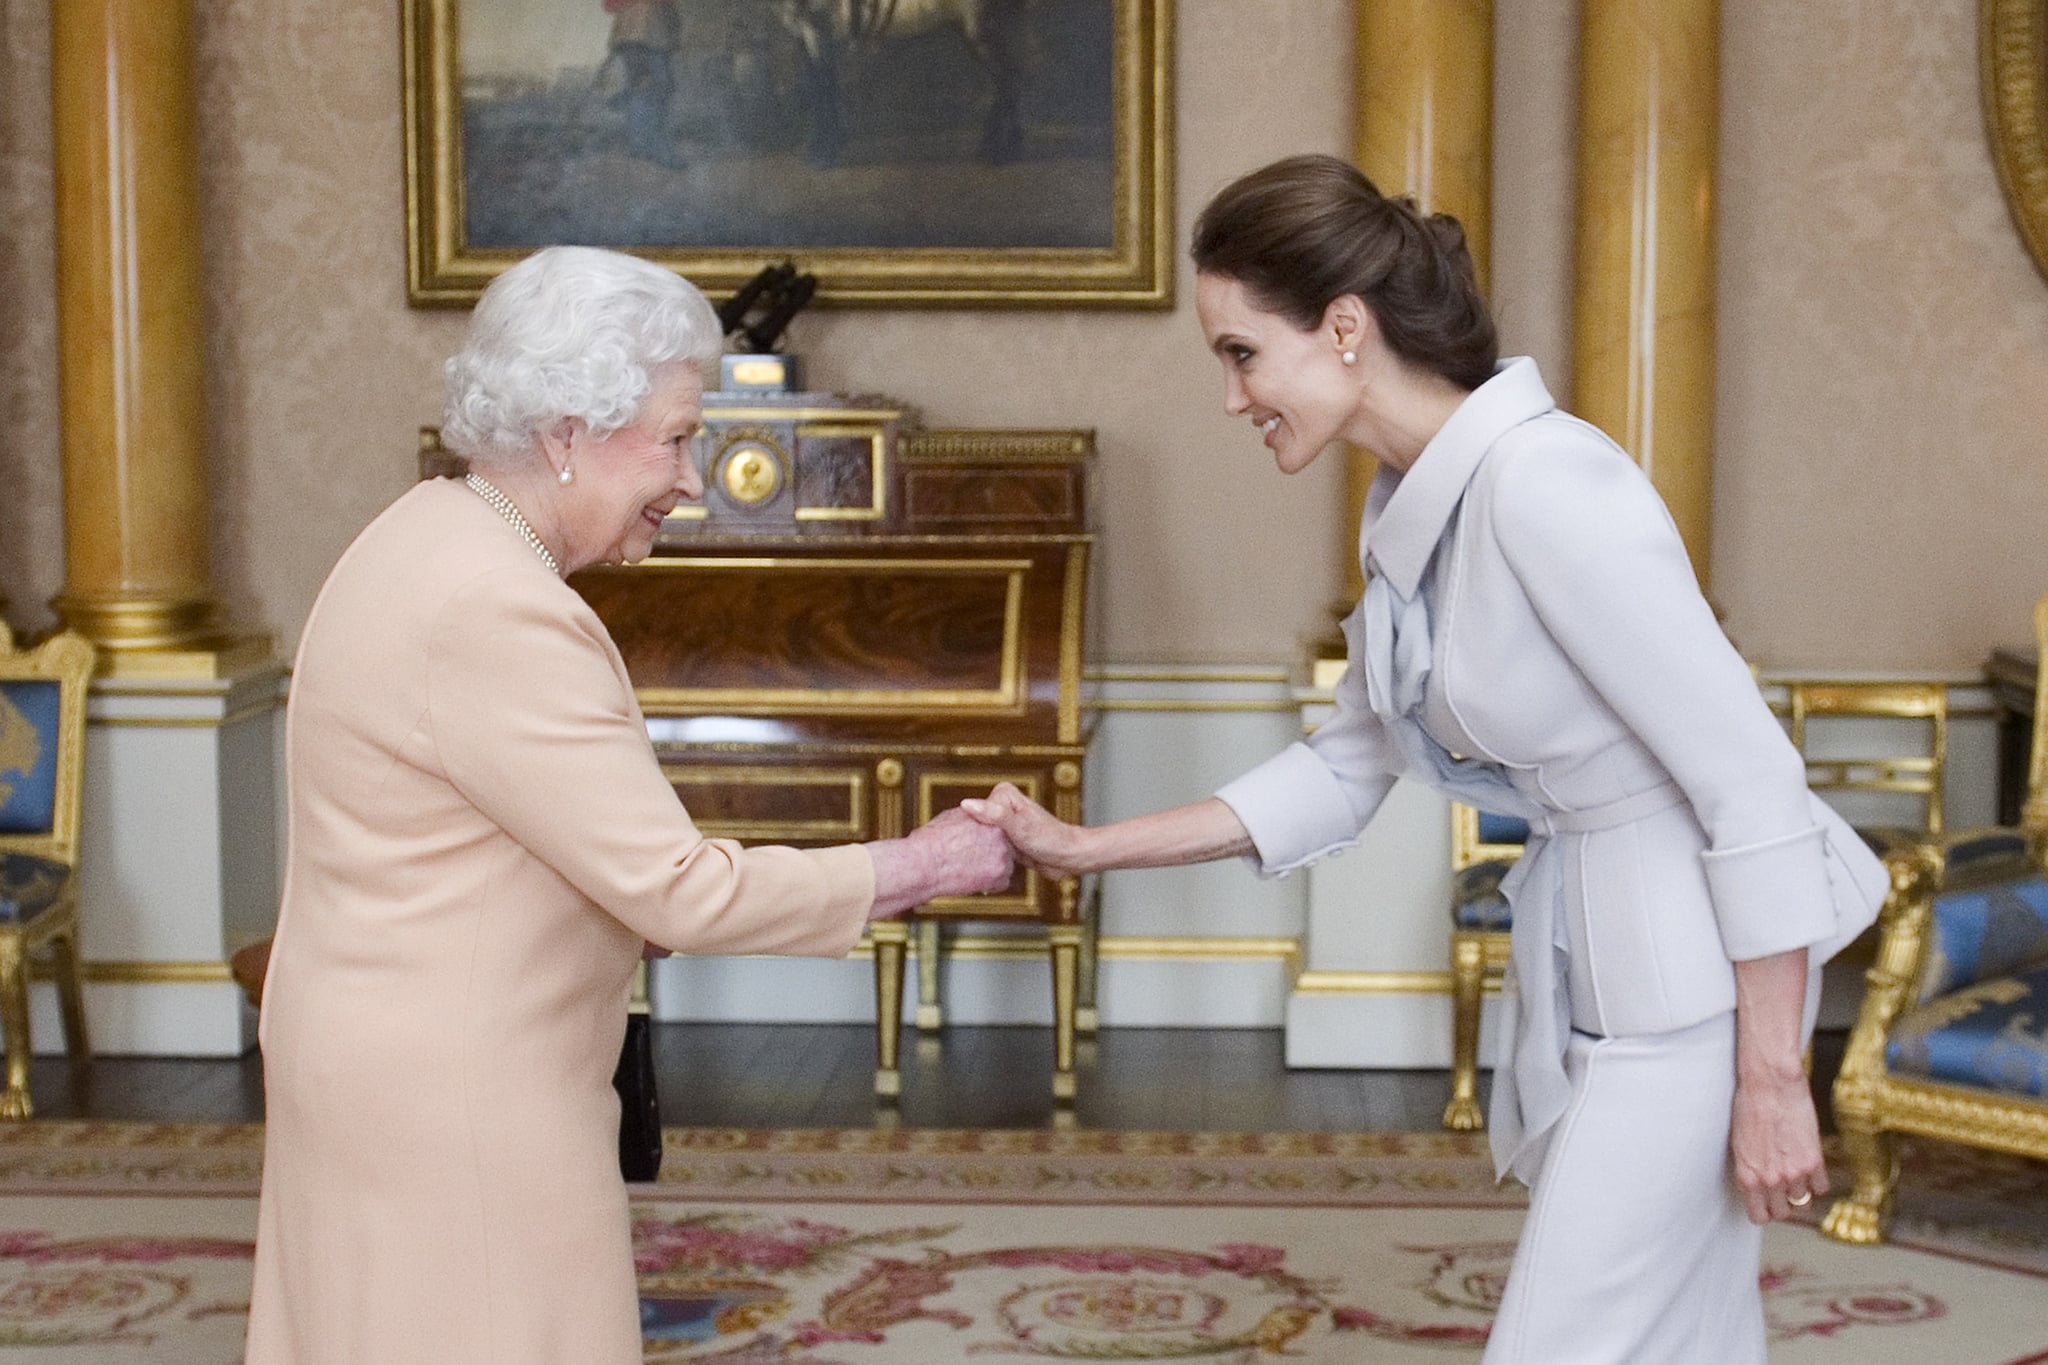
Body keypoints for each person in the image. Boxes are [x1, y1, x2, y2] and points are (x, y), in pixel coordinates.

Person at [963, 154, 1887, 1364]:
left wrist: (1771, 1078)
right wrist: (1085, 851)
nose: (1231, 397)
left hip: (1686, 1005)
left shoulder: (1548, 484)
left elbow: (1749, 778)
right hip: (1601, 981)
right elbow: (1347, 764)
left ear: (1343, 328)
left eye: (1239, 353)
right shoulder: (1414, 503)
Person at [244, 245, 1012, 1364]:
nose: (693, 480)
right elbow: (677, 892)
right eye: (676, 437)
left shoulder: (417, 535)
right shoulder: (499, 611)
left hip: (371, 1067)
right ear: (567, 434)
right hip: (460, 1101)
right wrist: (922, 865)